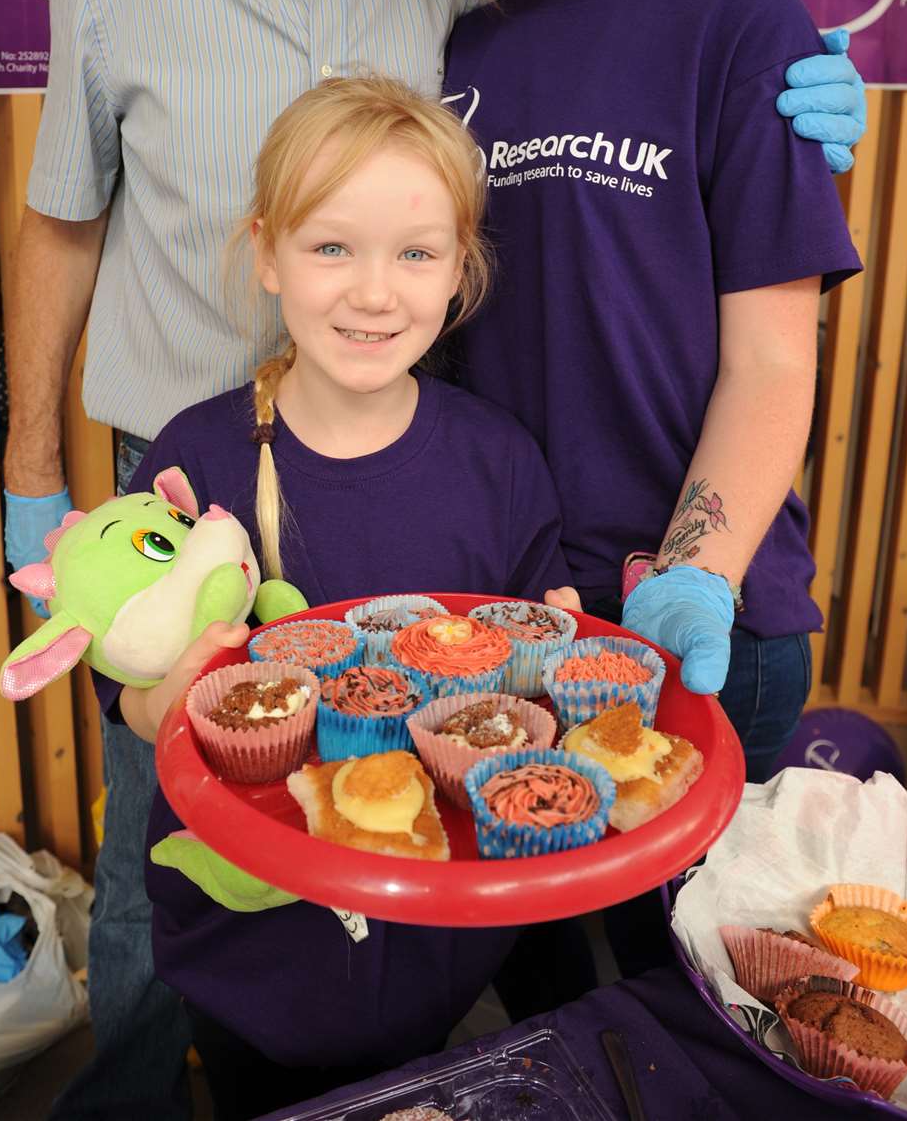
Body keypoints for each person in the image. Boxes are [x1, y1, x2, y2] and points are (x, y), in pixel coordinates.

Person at [1, 0, 865, 1119]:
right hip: (268, 521)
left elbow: (758, 339)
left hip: (578, 559)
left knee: (648, 979)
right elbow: (71, 212)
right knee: (249, 899)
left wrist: (793, 94)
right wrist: (33, 479)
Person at [426, 0, 862, 1003]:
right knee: (555, 1004)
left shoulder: (742, 25)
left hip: (701, 617)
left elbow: (772, 355)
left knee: (708, 1016)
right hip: (518, 615)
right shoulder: (459, 52)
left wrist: (697, 568)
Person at [97, 75, 577, 1121]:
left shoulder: (500, 461)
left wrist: (563, 647)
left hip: (436, 946)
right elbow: (124, 687)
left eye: (416, 253)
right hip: (249, 952)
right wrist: (157, 697)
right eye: (331, 248)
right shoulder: (195, 456)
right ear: (266, 252)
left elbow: (534, 652)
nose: (374, 292)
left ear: (462, 268)